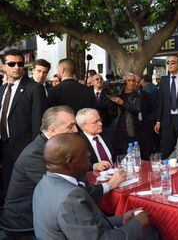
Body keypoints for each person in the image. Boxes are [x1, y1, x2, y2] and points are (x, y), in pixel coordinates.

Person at [0, 106, 125, 229]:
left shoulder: (54, 145)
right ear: (52, 129)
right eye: (70, 127)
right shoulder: (36, 154)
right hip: (27, 219)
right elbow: (68, 190)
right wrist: (109, 185)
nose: (76, 130)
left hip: (57, 208)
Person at [33, 133, 159, 239]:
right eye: (84, 152)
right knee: (148, 231)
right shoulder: (70, 197)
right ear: (71, 162)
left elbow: (84, 225)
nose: (89, 155)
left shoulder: (44, 183)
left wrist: (121, 219)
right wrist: (137, 224)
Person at [0, 49, 48, 190]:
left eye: (20, 64)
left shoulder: (34, 88)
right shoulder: (2, 89)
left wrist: (35, 151)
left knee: (26, 188)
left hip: (25, 149)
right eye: (12, 64)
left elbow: (39, 121)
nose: (17, 67)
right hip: (4, 146)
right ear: (3, 66)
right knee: (8, 185)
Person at [110, 73, 151, 157]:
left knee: (133, 156)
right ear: (124, 82)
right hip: (118, 130)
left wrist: (122, 102)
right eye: (129, 80)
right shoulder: (118, 94)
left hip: (132, 131)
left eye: (133, 80)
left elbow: (136, 109)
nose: (132, 83)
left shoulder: (139, 95)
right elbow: (112, 112)